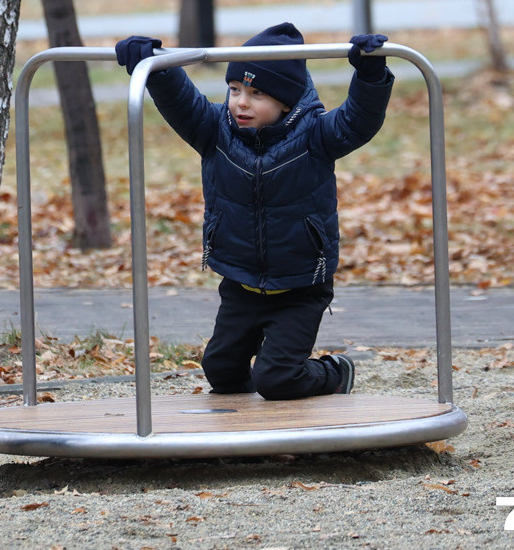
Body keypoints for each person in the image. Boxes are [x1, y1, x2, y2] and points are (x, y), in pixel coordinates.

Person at [114, 24, 392, 400]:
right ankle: (249, 416)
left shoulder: (316, 136)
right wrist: (155, 67)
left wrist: (370, 74)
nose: (241, 102)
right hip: (241, 282)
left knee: (277, 378)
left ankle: (334, 373)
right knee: (221, 372)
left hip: (300, 284)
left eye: (257, 93)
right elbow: (181, 101)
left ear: (287, 102)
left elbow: (359, 121)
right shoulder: (213, 130)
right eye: (235, 90)